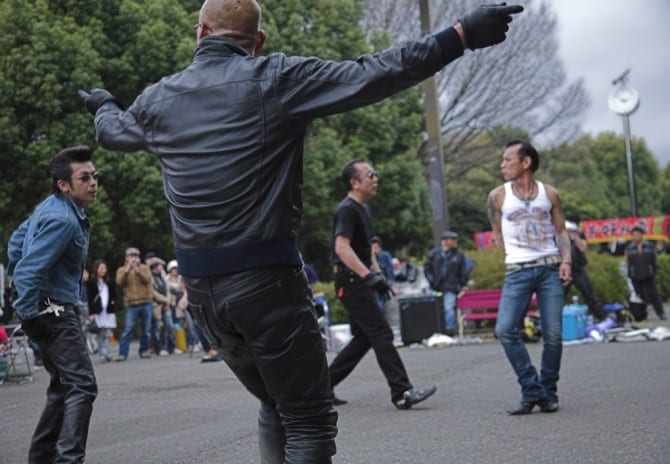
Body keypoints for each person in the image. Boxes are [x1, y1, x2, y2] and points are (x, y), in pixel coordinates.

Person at [79, 1, 523, 460]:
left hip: (204, 296)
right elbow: (376, 72)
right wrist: (461, 35)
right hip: (266, 285)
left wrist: (103, 104)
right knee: (308, 420)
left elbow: (115, 132)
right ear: (259, 41)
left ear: (200, 32)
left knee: (275, 401)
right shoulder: (275, 78)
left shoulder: (158, 98)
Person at [7, 145, 99, 462]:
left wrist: (29, 304)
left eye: (94, 176)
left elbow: (16, 243)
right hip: (55, 313)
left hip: (47, 309)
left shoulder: (49, 208)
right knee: (83, 386)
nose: (93, 182)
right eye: (84, 177)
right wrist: (30, 314)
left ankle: (41, 457)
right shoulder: (64, 220)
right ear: (64, 184)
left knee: (63, 386)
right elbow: (29, 268)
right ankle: (67, 459)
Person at [329, 160, 436, 409]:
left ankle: (319, 389)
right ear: (354, 183)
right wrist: (368, 276)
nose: (376, 178)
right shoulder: (347, 209)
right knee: (381, 333)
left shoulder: (363, 209)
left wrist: (379, 277)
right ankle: (402, 392)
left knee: (364, 338)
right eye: (370, 175)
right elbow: (341, 248)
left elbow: (366, 251)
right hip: (350, 280)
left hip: (360, 279)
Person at [487, 140, 572, 415]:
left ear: (526, 162)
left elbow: (561, 232)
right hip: (517, 271)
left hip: (549, 268)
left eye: (507, 160)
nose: (502, 165)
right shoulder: (497, 196)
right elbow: (495, 230)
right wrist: (504, 247)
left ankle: (548, 392)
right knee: (505, 330)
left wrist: (566, 261)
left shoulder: (550, 194)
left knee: (554, 335)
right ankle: (532, 389)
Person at [424, 230, 469, 335]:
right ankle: (434, 329)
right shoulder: (434, 253)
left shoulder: (458, 254)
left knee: (449, 308)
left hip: (450, 286)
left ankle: (449, 330)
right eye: (453, 239)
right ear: (446, 241)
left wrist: (463, 284)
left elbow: (463, 271)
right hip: (435, 285)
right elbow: (427, 268)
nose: (455, 242)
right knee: (433, 308)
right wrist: (431, 281)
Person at [564, 215, 606, 321]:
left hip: (578, 269)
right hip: (565, 270)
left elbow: (582, 248)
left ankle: (601, 317)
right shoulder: (561, 234)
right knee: (558, 296)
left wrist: (574, 234)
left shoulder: (579, 234)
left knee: (589, 294)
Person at [115, 247, 154, 361]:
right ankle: (122, 354)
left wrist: (138, 271)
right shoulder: (122, 270)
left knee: (146, 329)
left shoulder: (144, 268)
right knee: (128, 329)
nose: (133, 258)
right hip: (132, 304)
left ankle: (144, 350)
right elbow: (119, 282)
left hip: (146, 301)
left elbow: (147, 280)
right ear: (126, 258)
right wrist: (127, 270)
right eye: (131, 256)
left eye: (136, 256)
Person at [626, 225, 667, 320]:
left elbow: (653, 261)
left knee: (654, 295)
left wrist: (652, 271)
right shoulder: (630, 248)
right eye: (634, 235)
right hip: (635, 276)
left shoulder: (649, 246)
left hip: (648, 276)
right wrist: (630, 274)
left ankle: (661, 313)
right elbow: (628, 262)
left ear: (641, 235)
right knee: (640, 296)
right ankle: (642, 314)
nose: (635, 236)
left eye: (637, 234)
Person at [86, 259, 119, 362]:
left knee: (107, 333)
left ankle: (107, 353)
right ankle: (102, 354)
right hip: (98, 311)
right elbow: (90, 299)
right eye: (101, 268)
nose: (103, 270)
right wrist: (91, 313)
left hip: (107, 310)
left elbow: (114, 295)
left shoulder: (108, 282)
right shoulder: (91, 283)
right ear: (96, 269)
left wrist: (113, 302)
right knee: (100, 333)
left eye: (104, 268)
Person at [149, 257, 176, 356]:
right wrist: (165, 300)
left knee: (170, 326)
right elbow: (153, 293)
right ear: (155, 266)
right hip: (157, 306)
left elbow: (167, 289)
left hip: (166, 305)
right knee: (157, 328)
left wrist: (168, 300)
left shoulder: (162, 276)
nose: (162, 267)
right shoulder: (151, 277)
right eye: (160, 265)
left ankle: (171, 347)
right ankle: (159, 348)